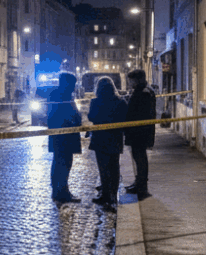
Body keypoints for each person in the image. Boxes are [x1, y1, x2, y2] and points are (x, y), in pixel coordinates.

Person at [87, 77, 127, 209]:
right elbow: (125, 117)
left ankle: (105, 195)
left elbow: (91, 117)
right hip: (115, 137)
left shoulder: (95, 101)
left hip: (100, 138)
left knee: (103, 168)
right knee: (114, 167)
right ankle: (113, 194)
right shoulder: (120, 101)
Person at [47, 72, 82, 204]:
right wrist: (74, 122)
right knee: (63, 164)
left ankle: (58, 191)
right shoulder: (62, 96)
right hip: (64, 138)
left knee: (59, 163)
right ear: (67, 83)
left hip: (61, 137)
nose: (74, 86)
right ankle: (62, 192)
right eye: (73, 84)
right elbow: (61, 116)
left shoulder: (59, 95)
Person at [125, 69, 157, 199]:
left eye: (131, 80)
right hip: (139, 131)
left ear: (137, 80)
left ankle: (142, 187)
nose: (129, 83)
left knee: (140, 159)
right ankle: (139, 183)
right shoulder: (144, 91)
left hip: (139, 132)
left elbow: (137, 113)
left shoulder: (143, 93)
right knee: (139, 158)